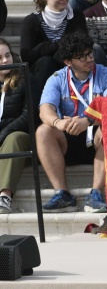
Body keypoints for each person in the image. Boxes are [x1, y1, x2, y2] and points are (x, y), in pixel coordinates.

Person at [36, 33, 107, 212]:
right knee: (43, 131)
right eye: (82, 56)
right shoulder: (57, 78)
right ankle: (63, 194)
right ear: (68, 62)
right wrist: (59, 123)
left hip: (96, 137)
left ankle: (96, 193)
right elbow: (45, 110)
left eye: (90, 53)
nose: (89, 59)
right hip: (68, 137)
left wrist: (88, 120)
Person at [20, 0, 87, 84]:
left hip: (70, 67)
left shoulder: (77, 16)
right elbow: (27, 56)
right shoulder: (31, 21)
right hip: (42, 73)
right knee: (46, 62)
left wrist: (46, 48)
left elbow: (82, 44)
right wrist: (58, 45)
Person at [0, 38, 40, 214]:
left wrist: (4, 132)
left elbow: (29, 115)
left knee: (13, 138)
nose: (5, 61)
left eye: (7, 55)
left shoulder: (25, 77)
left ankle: (4, 196)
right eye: (0, 57)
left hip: (22, 135)